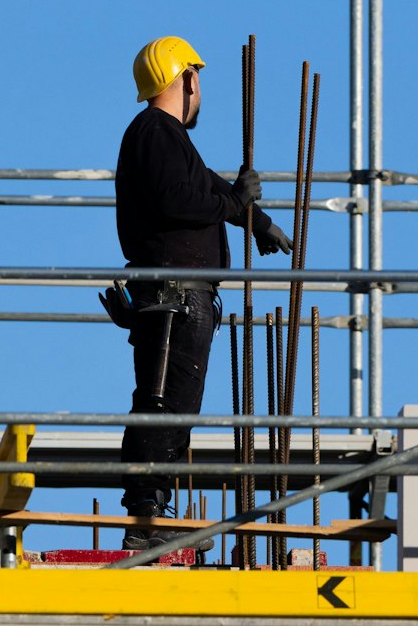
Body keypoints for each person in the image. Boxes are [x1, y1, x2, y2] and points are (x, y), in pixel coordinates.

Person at [104, 35, 291, 554]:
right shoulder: (153, 131)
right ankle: (146, 518)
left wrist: (256, 221)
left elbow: (207, 188)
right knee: (165, 404)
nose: (201, 91)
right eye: (199, 78)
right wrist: (234, 203)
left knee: (174, 405)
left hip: (181, 297)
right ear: (185, 78)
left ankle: (152, 512)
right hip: (176, 297)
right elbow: (177, 200)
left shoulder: (167, 140)